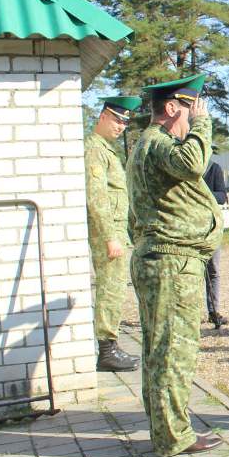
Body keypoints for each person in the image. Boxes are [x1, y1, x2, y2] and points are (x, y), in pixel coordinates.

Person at [127, 73, 224, 455]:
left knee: (159, 349)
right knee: (173, 351)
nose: (193, 118)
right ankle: (172, 436)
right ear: (171, 108)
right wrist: (203, 124)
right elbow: (193, 164)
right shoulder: (158, 144)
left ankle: (165, 429)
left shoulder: (146, 147)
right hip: (170, 262)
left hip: (165, 260)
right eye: (190, 109)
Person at [85, 95, 142, 373]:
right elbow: (97, 197)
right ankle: (107, 351)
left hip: (119, 229)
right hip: (109, 231)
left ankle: (111, 345)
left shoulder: (106, 150)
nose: (120, 127)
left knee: (116, 289)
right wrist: (110, 236)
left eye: (124, 123)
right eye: (117, 120)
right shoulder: (94, 149)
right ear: (103, 116)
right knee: (110, 289)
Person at [203, 151, 229, 329]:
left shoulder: (214, 168)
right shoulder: (183, 166)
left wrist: (203, 194)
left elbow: (222, 196)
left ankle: (213, 311)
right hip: (187, 228)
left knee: (213, 271)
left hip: (210, 227)